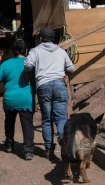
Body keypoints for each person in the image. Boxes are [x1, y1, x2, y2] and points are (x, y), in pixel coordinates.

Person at [25, 27, 74, 160]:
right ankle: (64, 143)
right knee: (61, 118)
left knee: (47, 119)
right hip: (59, 85)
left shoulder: (35, 51)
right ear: (54, 39)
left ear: (40, 38)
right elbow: (71, 68)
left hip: (43, 86)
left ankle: (49, 150)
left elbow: (28, 65)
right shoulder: (61, 51)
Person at [0, 38, 34, 160]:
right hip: (26, 99)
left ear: (13, 51)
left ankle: (9, 144)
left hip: (10, 99)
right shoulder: (30, 63)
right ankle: (28, 151)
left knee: (9, 121)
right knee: (27, 125)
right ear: (26, 51)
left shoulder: (6, 64)